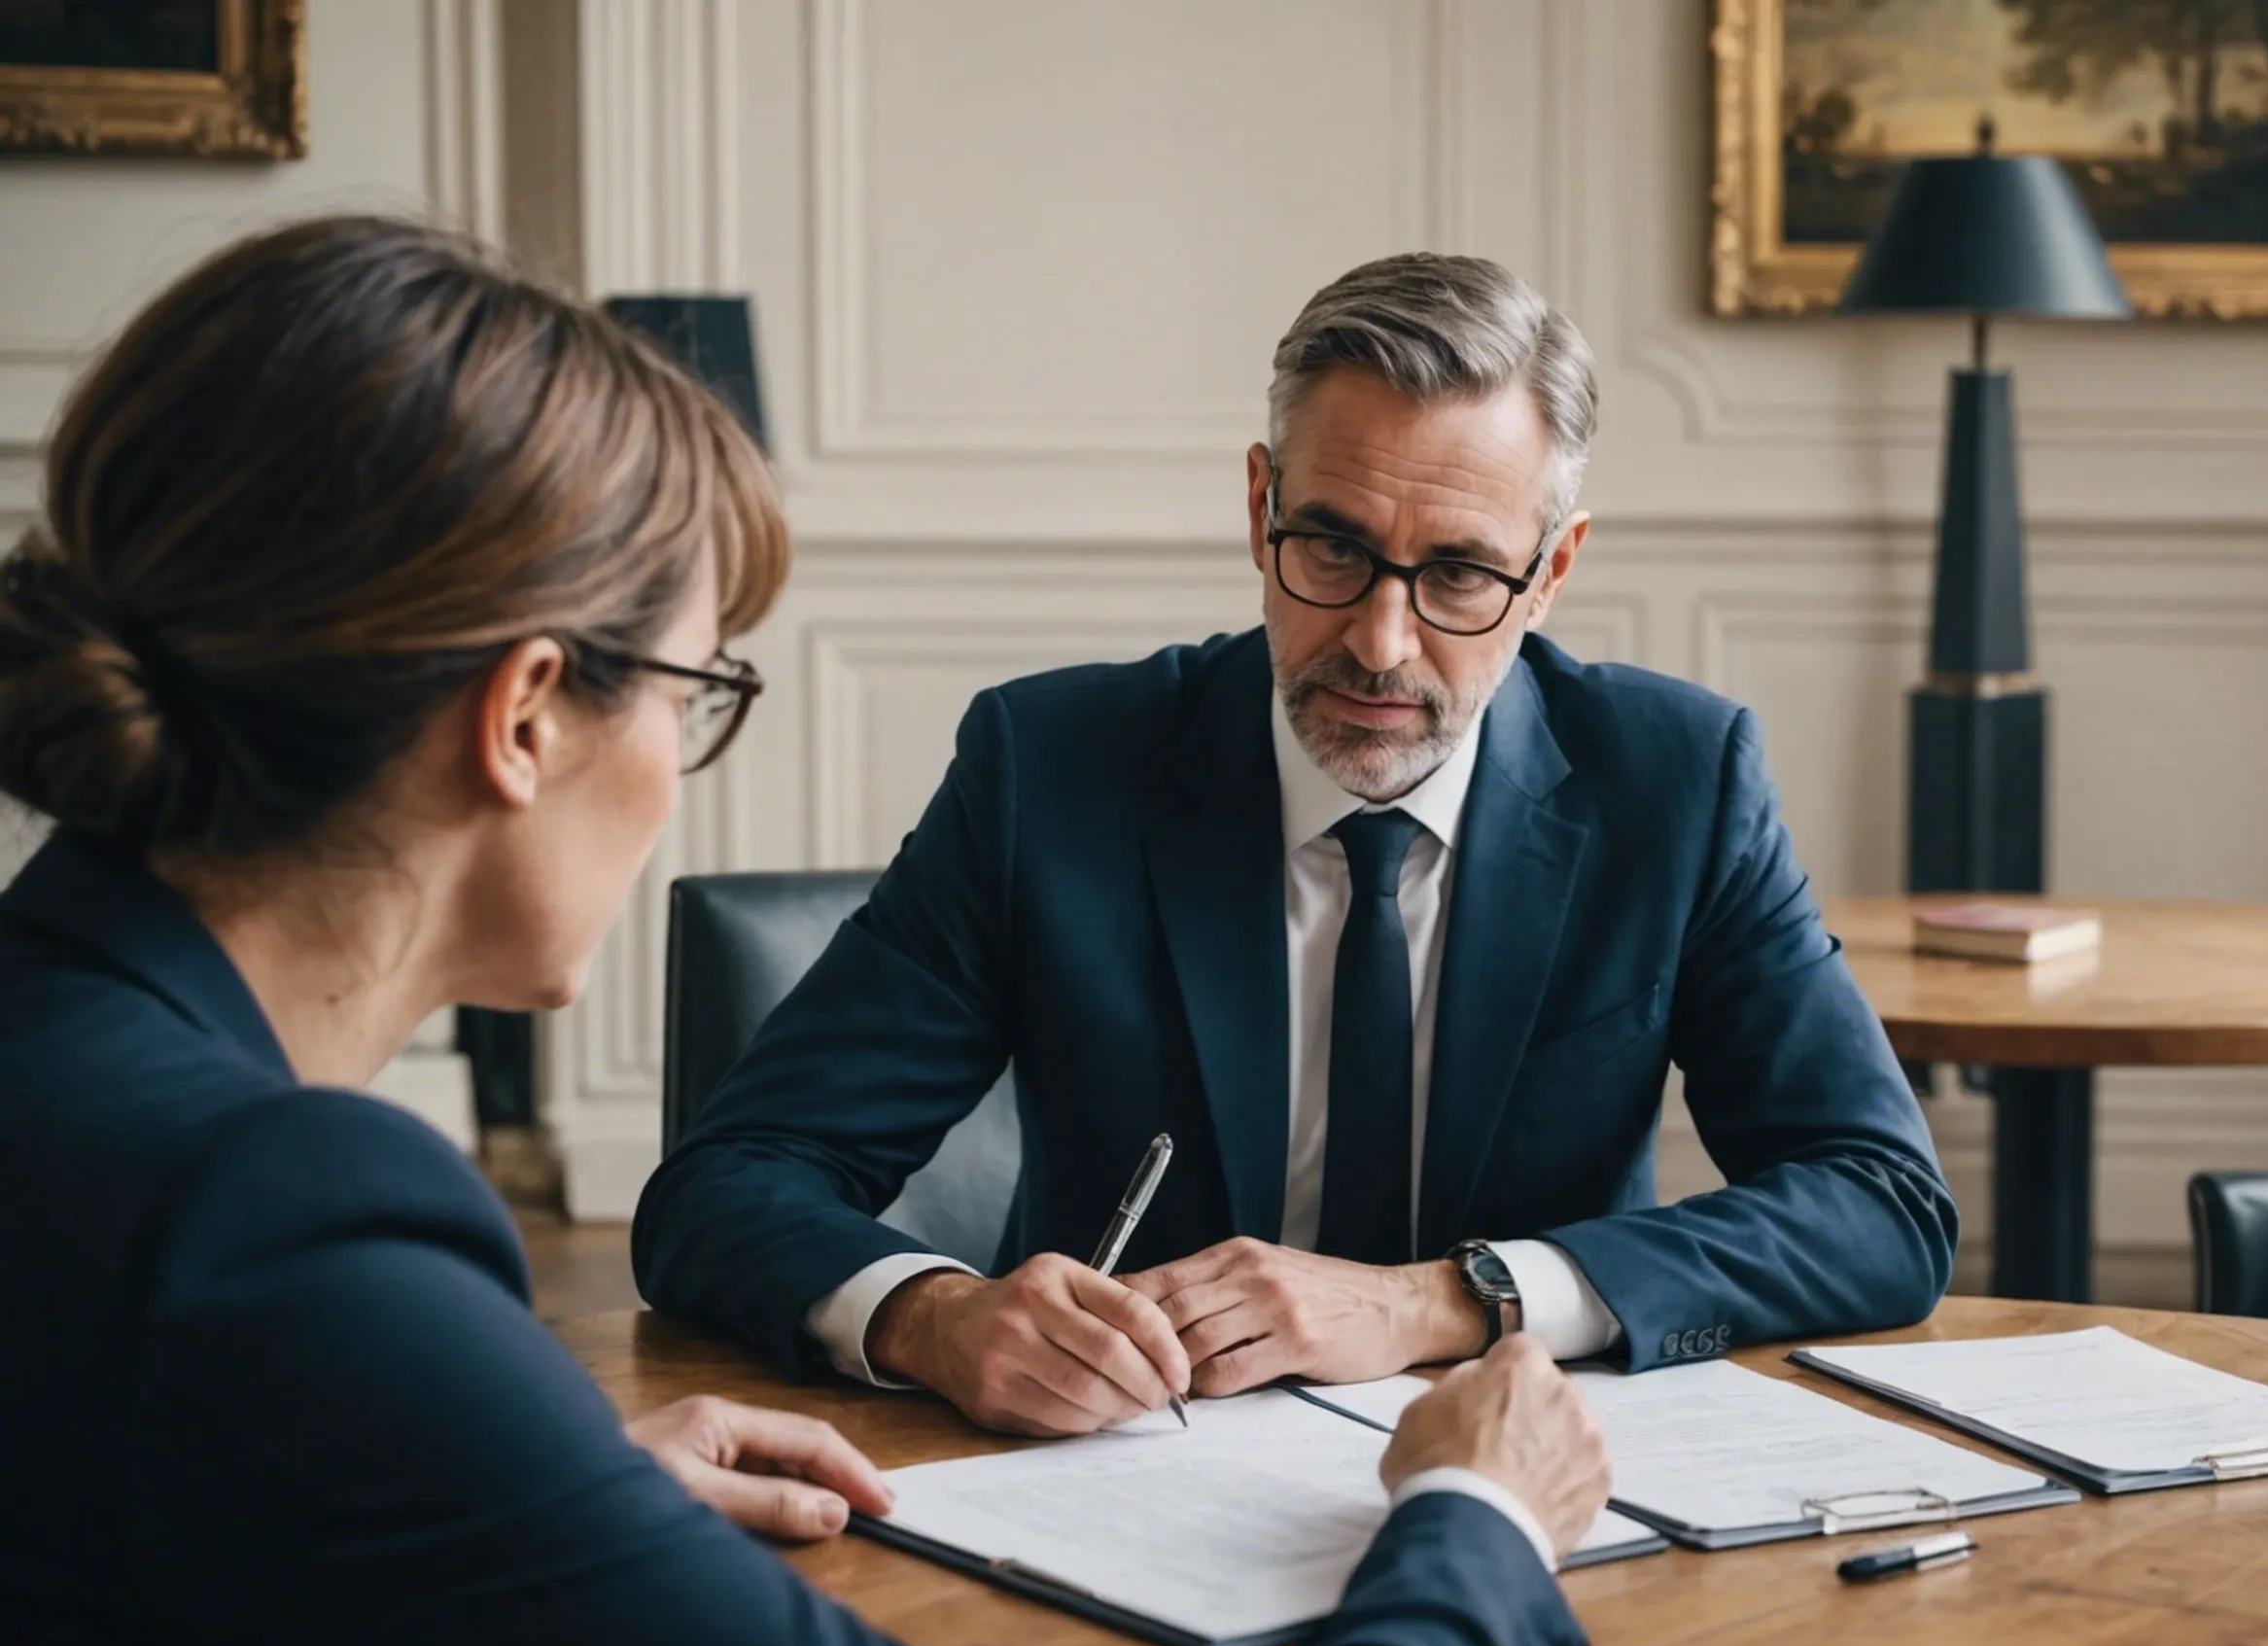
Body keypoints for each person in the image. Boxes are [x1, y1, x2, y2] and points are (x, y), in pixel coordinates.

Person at [0, 216, 1608, 1646]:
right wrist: (1476, 1516)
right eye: (702, 690)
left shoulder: (71, 1072)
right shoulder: (291, 1236)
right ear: (526, 716)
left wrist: (550, 1490)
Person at [634, 253, 1957, 1436]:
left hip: (1536, 1477)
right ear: (1261, 505)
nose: (1380, 643)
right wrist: (930, 1315)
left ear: (1552, 572)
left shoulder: (1676, 784)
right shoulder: (1053, 769)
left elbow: (1879, 1199)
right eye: (1333, 545)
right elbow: (727, 1186)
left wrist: (1443, 1299)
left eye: (1458, 574)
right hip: (1119, 1479)